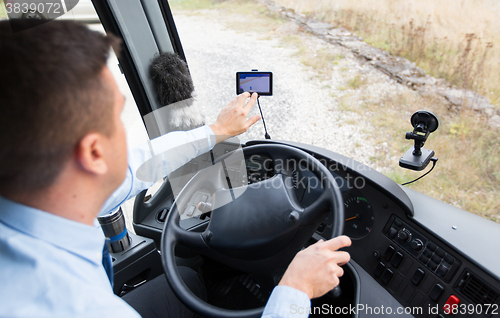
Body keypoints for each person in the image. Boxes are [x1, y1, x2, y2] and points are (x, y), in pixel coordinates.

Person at [0, 19, 351, 318]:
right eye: (118, 119)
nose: (130, 138)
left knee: (189, 278)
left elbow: (139, 165)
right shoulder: (74, 306)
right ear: (93, 153)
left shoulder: (38, 190)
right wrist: (295, 290)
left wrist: (217, 131)